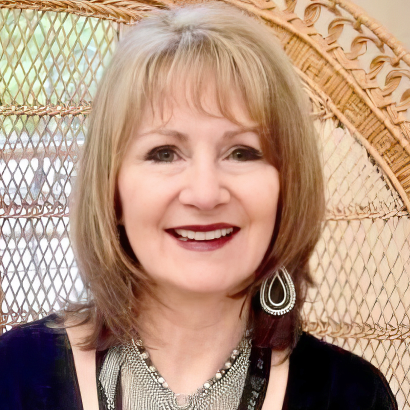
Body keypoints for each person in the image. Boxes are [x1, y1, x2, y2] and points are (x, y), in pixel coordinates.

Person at [0, 3, 398, 410]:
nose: (205, 194)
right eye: (164, 153)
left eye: (242, 152)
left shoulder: (354, 396)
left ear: (286, 188)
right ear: (111, 190)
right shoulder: (14, 374)